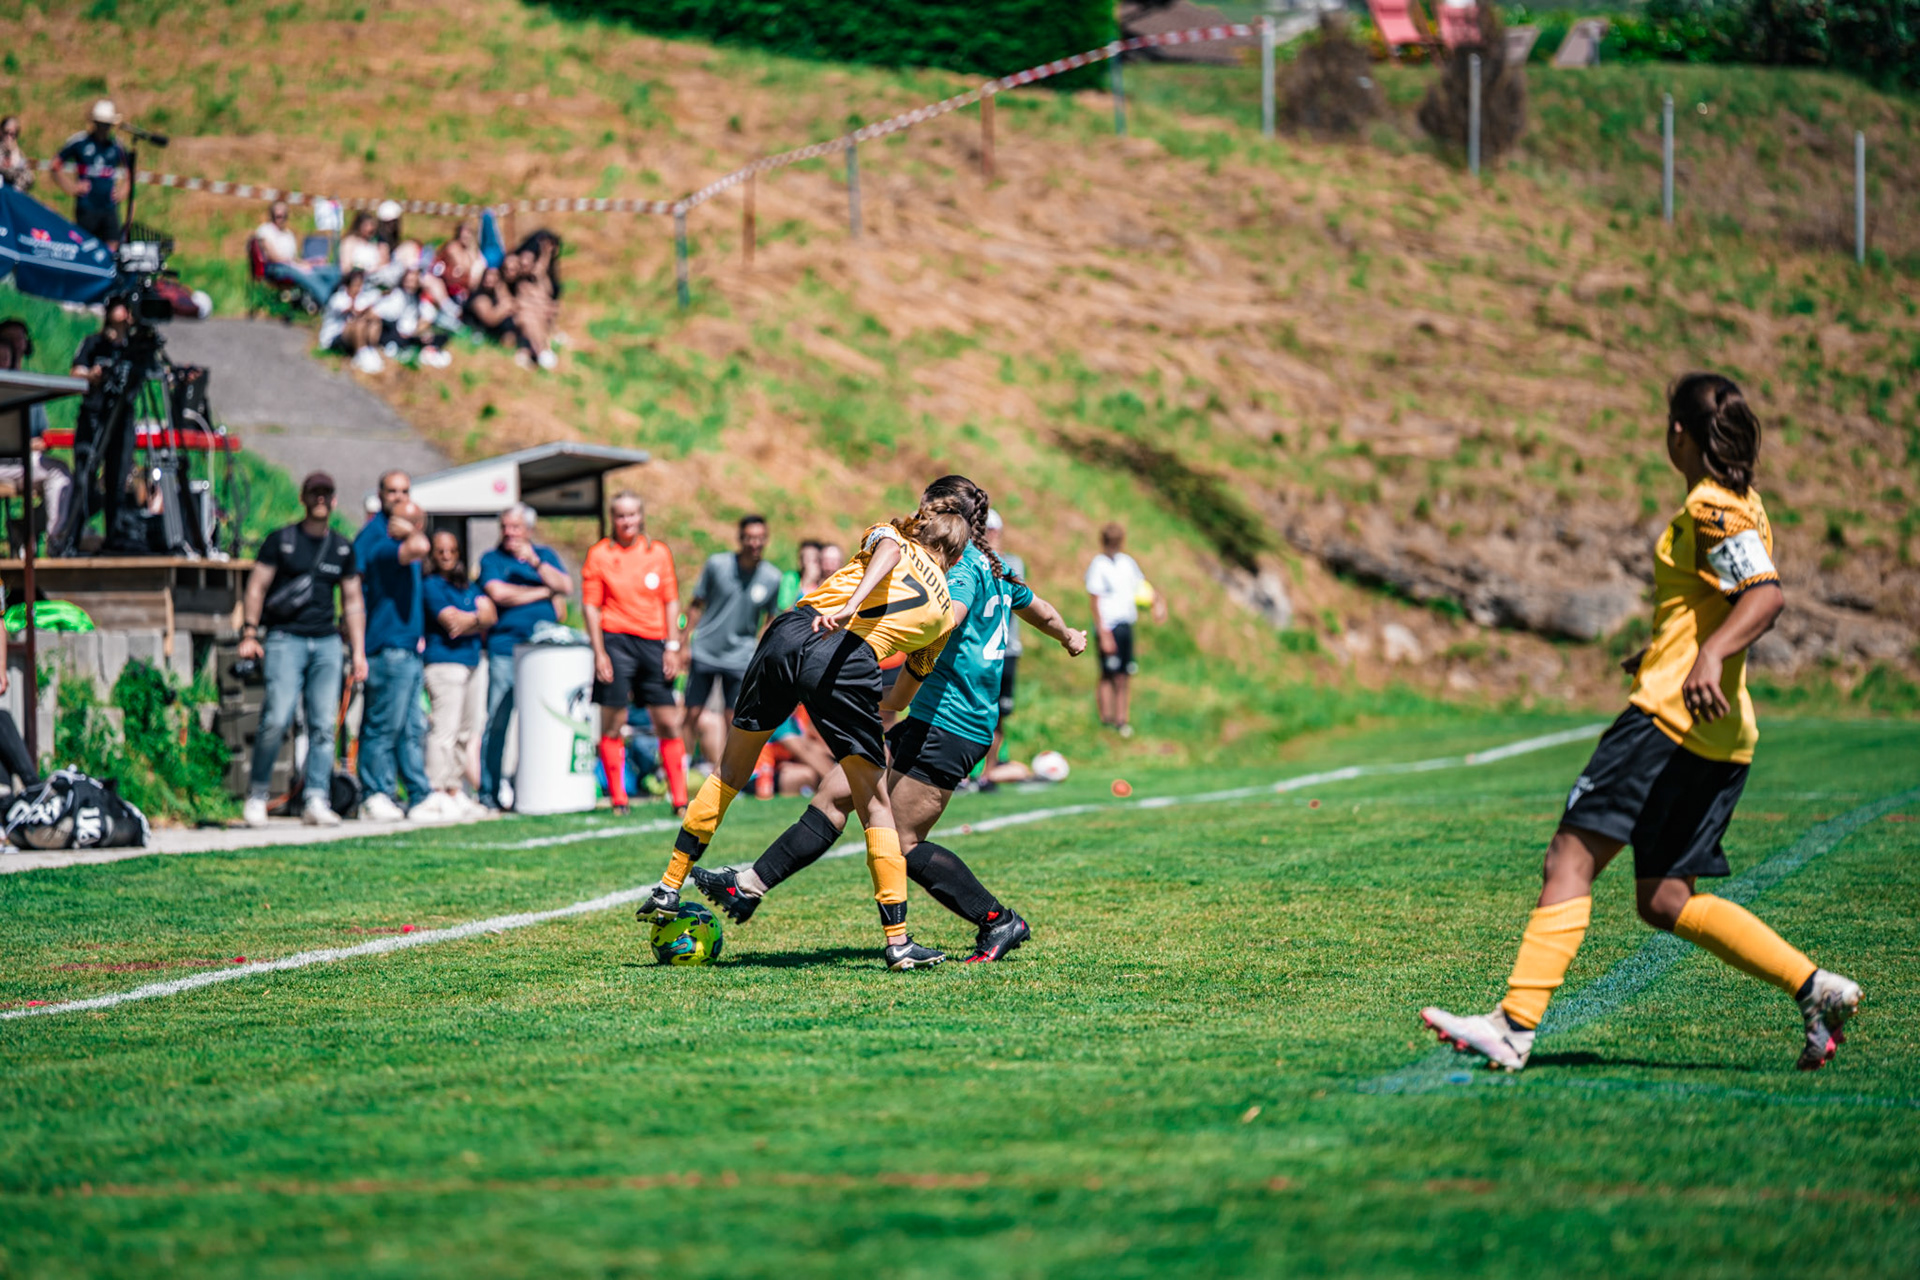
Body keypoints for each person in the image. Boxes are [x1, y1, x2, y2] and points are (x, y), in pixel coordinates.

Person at [1420, 374, 1862, 1074]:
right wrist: (1673, 649)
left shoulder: (1715, 509)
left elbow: (1765, 597)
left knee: (1569, 857)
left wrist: (1707, 655)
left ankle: (1512, 1027)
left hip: (1667, 719)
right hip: (1717, 735)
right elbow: (1718, 604)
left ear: (1678, 434)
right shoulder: (1740, 504)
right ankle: (1814, 989)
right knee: (1663, 899)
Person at [694, 478, 1087, 963]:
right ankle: (747, 887)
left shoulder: (961, 569)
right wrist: (1068, 634)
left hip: (952, 724)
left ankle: (999, 920)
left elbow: (949, 617)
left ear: (942, 512)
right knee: (835, 794)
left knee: (899, 840)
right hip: (929, 715)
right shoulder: (996, 566)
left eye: (927, 505)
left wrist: (893, 664)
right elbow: (1041, 610)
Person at [637, 495, 971, 971]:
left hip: (791, 630)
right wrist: (856, 696)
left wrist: (852, 602)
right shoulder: (943, 618)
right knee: (874, 804)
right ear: (955, 559)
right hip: (848, 657)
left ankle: (669, 885)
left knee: (730, 771)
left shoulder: (893, 533)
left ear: (923, 529)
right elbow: (899, 699)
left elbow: (891, 551)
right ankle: (898, 943)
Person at [236, 472, 367, 828]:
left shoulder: (342, 547)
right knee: (276, 718)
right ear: (303, 497)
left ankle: (316, 797)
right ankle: (258, 794)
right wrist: (250, 632)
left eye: (327, 493)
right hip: (285, 638)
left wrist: (358, 652)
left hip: (326, 641)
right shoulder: (282, 540)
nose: (321, 499)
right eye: (315, 493)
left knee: (324, 725)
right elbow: (256, 588)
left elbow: (353, 601)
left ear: (335, 500)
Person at [581, 491, 690, 817]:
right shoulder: (599, 554)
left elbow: (671, 601)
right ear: (612, 519)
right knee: (614, 721)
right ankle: (619, 800)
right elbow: (590, 605)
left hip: (653, 642)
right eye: (620, 515)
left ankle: (680, 799)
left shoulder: (658, 553)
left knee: (668, 721)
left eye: (631, 515)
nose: (626, 521)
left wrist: (672, 646)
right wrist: (599, 651)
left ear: (641, 517)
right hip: (616, 640)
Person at [354, 470, 437, 823]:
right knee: (382, 726)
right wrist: (414, 528)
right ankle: (375, 792)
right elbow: (421, 547)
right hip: (385, 646)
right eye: (393, 492)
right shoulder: (379, 537)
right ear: (380, 494)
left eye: (405, 491)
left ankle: (418, 794)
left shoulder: (400, 531)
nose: (399, 498)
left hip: (407, 647)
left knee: (410, 727)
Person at [478, 504, 572, 810]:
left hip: (544, 657)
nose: (510, 533)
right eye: (505, 526)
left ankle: (542, 789)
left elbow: (566, 586)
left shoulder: (544, 557)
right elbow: (499, 594)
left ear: (528, 529)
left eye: (516, 527)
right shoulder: (491, 559)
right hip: (505, 651)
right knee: (497, 720)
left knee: (545, 721)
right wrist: (543, 592)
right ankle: (489, 792)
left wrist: (535, 564)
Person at [683, 514, 782, 771]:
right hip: (705, 649)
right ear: (740, 539)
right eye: (750, 537)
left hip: (740, 656)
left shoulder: (772, 577)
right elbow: (696, 604)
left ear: (766, 540)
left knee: (734, 718)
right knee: (692, 713)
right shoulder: (717, 565)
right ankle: (677, 768)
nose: (755, 543)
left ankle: (727, 773)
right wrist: (682, 643)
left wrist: (760, 651)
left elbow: (771, 617)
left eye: (760, 538)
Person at [422, 529, 495, 816]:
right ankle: (436, 788)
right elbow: (451, 623)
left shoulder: (468, 586)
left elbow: (491, 615)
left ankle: (455, 788)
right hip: (444, 662)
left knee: (467, 730)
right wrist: (478, 618)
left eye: (451, 550)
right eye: (440, 551)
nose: (446, 556)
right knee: (445, 729)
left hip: (472, 661)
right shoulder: (431, 585)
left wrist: (473, 619)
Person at [1085, 522, 1164, 738]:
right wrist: (1103, 633)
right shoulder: (1098, 565)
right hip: (1108, 626)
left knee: (1124, 675)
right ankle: (1106, 720)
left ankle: (1122, 721)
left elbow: (1143, 586)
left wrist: (1158, 603)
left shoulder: (1127, 563)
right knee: (1107, 674)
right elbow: (1095, 601)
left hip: (1125, 624)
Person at [0, 322, 73, 543]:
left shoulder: (28, 386)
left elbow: (43, 434)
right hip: (4, 462)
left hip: (22, 462)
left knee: (65, 476)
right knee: (57, 472)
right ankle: (51, 539)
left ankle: (52, 537)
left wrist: (36, 442)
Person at [981, 507, 1027, 784]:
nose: (990, 536)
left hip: (1006, 649)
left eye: (993, 531)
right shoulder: (970, 563)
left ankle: (987, 774)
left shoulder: (1011, 563)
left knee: (999, 715)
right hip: (980, 650)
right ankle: (966, 774)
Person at [55, 101, 127, 246]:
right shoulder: (80, 142)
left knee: (112, 247)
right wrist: (72, 187)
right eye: (101, 123)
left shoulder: (116, 145)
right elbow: (55, 164)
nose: (104, 128)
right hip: (87, 207)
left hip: (109, 207)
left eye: (107, 124)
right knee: (85, 246)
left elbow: (131, 171)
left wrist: (123, 191)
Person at [253, 200, 339, 308]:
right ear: (272, 215)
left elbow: (294, 258)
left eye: (283, 216)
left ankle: (337, 300)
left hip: (291, 265)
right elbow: (273, 256)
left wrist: (309, 263)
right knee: (307, 276)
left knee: (330, 271)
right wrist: (296, 264)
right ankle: (327, 303)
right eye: (277, 216)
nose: (280, 218)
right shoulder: (265, 230)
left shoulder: (288, 234)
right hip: (275, 267)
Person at [776, 539, 824, 613]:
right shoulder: (791, 578)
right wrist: (806, 582)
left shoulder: (823, 583)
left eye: (815, 560)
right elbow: (785, 610)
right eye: (807, 559)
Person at [0, 115, 34, 191]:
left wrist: (13, 152)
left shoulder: (16, 152)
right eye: (6, 133)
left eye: (12, 135)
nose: (9, 137)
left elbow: (29, 175)